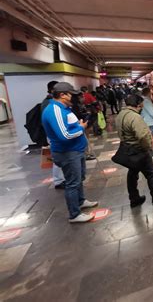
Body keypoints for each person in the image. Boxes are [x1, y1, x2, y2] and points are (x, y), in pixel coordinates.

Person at [41, 82, 98, 223]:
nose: (73, 97)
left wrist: (77, 126)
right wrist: (82, 128)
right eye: (71, 94)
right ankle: (74, 214)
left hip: (76, 151)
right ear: (62, 95)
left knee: (79, 178)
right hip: (68, 152)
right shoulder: (54, 110)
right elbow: (64, 135)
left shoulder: (64, 108)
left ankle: (80, 201)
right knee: (72, 183)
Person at [115, 94, 153, 207]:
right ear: (138, 104)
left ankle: (134, 198)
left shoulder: (121, 114)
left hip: (128, 149)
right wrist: (148, 147)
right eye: (142, 102)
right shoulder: (135, 117)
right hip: (139, 151)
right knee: (151, 173)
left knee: (132, 174)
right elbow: (143, 136)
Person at [41, 80, 66, 189]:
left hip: (56, 134)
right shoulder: (49, 104)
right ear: (53, 90)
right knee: (58, 158)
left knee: (61, 157)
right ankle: (59, 180)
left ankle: (61, 178)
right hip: (55, 136)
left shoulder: (51, 103)